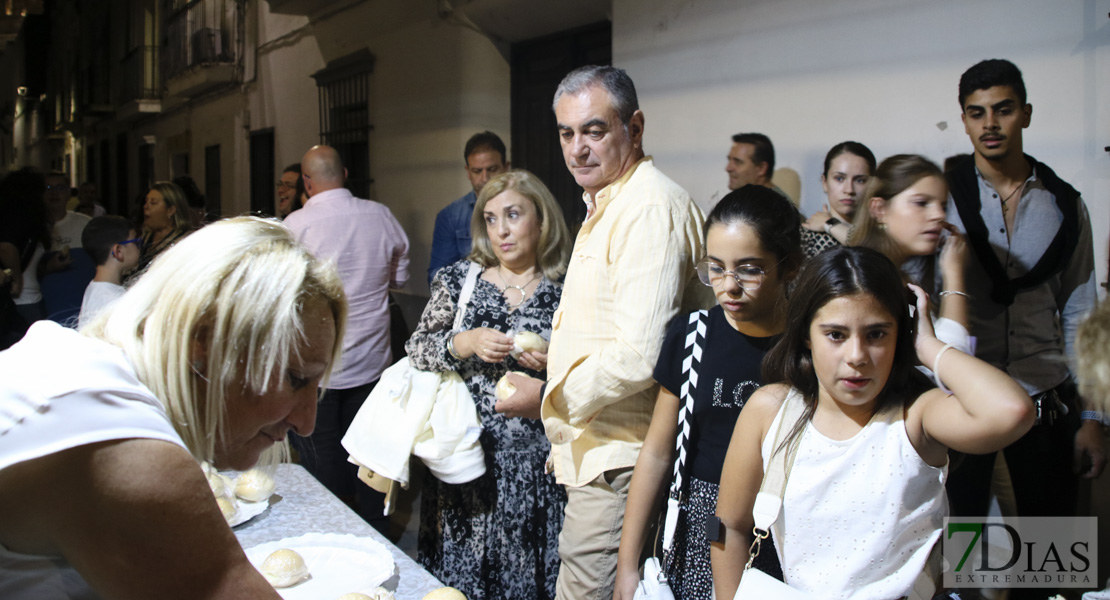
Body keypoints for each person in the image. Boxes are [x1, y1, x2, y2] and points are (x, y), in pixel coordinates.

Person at [0, 216, 347, 599]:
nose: (307, 423)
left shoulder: (74, 366)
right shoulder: (128, 451)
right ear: (204, 340)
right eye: (296, 378)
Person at [710, 246, 1034, 599]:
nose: (857, 357)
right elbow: (729, 527)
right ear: (806, 333)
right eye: (836, 334)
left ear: (901, 333)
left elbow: (1012, 411)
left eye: (877, 334)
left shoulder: (916, 417)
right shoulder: (772, 410)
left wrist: (927, 345)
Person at [507, 65, 708, 599]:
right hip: (599, 446)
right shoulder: (608, 203)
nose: (577, 149)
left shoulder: (647, 207)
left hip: (623, 457)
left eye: (594, 130)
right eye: (566, 133)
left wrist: (551, 393)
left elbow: (639, 355)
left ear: (634, 129)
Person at [614, 185, 801, 600]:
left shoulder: (809, 344)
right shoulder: (693, 335)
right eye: (716, 268)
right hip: (702, 523)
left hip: (782, 520)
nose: (728, 286)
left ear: (789, 266)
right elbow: (659, 451)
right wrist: (627, 566)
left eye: (749, 269)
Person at [943, 60, 1104, 537]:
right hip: (961, 399)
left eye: (1003, 110)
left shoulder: (1065, 204)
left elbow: (1081, 313)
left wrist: (1095, 417)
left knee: (1051, 554)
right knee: (959, 553)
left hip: (1045, 398)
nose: (989, 124)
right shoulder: (943, 195)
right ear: (965, 120)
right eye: (976, 113)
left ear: (1026, 114)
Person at [406, 169, 571, 599]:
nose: (501, 230)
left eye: (513, 215)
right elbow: (418, 348)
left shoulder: (567, 289)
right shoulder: (460, 282)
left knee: (529, 581)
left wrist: (555, 363)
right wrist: (465, 341)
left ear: (541, 221)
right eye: (491, 219)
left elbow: (591, 371)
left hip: (537, 471)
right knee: (463, 582)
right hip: (466, 462)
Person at [285, 144, 409, 529]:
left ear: (306, 181)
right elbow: (400, 278)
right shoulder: (381, 216)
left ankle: (333, 528)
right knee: (369, 450)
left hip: (317, 365)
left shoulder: (294, 227)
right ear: (346, 173)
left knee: (321, 451)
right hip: (371, 361)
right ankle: (375, 525)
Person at [848, 154, 970, 353]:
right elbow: (951, 361)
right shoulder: (862, 281)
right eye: (921, 203)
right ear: (879, 210)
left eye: (943, 206)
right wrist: (954, 272)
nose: (939, 215)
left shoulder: (898, 275)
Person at [428, 131, 511, 286]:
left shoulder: (526, 208)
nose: (485, 178)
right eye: (477, 171)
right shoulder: (450, 216)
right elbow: (437, 276)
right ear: (468, 171)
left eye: (492, 169)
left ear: (506, 167)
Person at [800, 141, 876, 258]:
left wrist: (829, 224)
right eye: (839, 178)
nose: (849, 190)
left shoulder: (884, 233)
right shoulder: (808, 236)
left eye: (860, 180)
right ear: (825, 182)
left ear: (873, 184)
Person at [77, 216, 142, 329]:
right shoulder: (112, 300)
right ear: (118, 251)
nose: (139, 247)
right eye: (136, 242)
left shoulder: (96, 288)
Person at [132, 181, 195, 280]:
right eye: (146, 201)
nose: (146, 206)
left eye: (153, 203)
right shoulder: (145, 237)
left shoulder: (184, 243)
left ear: (171, 210)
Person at [725, 133, 788, 199]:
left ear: (761, 168)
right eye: (729, 160)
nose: (728, 168)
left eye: (738, 162)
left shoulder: (775, 206)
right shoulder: (749, 201)